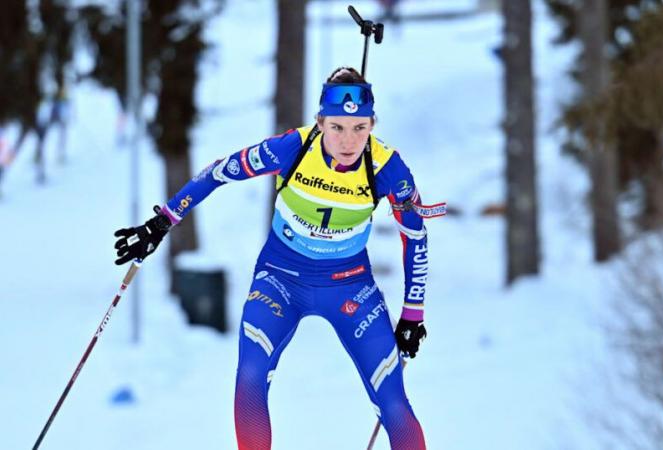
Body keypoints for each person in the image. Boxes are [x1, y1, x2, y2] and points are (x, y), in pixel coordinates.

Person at [114, 67, 443, 450]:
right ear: (319, 122)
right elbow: (218, 172)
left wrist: (413, 314)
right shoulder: (293, 148)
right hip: (280, 280)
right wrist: (162, 221)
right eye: (337, 127)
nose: (348, 140)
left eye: (359, 127)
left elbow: (416, 236)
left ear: (372, 124)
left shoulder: (388, 168)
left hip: (350, 287)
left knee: (393, 401)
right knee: (251, 376)